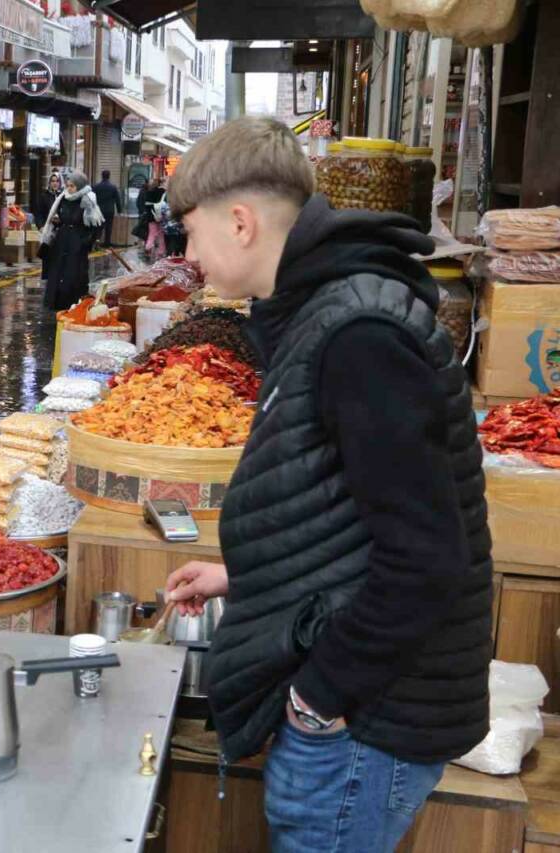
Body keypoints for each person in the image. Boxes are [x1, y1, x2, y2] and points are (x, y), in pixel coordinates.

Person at [162, 117, 491, 852]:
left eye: (190, 232)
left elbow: (426, 557)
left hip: (369, 721)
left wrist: (318, 700)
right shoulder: (320, 309)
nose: (187, 256)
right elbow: (347, 504)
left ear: (240, 222)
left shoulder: (359, 334)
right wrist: (244, 576)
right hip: (364, 709)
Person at [39, 172, 104, 313]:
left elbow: (97, 224)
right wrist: (58, 222)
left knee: (74, 274)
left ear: (79, 186)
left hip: (77, 244)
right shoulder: (63, 198)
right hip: (62, 241)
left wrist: (85, 242)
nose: (69, 189)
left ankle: (74, 303)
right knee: (57, 272)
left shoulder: (87, 200)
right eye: (68, 185)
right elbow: (62, 218)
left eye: (72, 186)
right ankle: (56, 302)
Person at [34, 172, 62, 276]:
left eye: (57, 181)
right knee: (47, 254)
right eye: (52, 181)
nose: (55, 183)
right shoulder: (44, 196)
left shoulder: (63, 196)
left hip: (60, 230)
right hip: (48, 229)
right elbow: (39, 213)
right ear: (49, 183)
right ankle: (46, 276)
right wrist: (40, 226)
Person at [92, 169, 123, 247]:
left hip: (99, 210)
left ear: (101, 176)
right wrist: (119, 211)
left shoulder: (96, 187)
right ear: (109, 176)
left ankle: (97, 242)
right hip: (109, 211)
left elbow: (92, 198)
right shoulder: (113, 187)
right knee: (108, 227)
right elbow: (117, 200)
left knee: (98, 227)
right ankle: (107, 242)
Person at [139, 177, 167, 259]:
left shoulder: (149, 191)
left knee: (152, 234)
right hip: (161, 216)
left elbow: (145, 204)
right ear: (160, 183)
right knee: (161, 234)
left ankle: (148, 247)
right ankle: (161, 251)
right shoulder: (162, 192)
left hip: (150, 217)